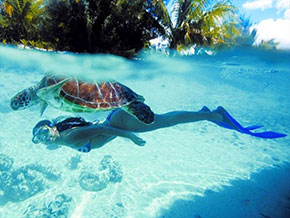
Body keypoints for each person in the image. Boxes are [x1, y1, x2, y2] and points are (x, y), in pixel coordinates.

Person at [32, 106, 287, 153]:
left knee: (167, 121)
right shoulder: (61, 139)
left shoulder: (69, 137)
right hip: (115, 119)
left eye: (44, 132)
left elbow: (108, 132)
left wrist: (131, 138)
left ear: (53, 128)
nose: (44, 140)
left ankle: (213, 114)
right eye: (38, 139)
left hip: (119, 124)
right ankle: (207, 113)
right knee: (166, 120)